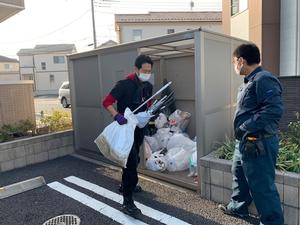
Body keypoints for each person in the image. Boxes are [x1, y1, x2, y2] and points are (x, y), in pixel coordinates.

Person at [218, 43, 284, 225]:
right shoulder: (249, 81)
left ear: (241, 61)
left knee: (263, 187)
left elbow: (274, 110)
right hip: (246, 142)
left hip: (259, 143)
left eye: (234, 61)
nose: (234, 66)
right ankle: (238, 207)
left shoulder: (264, 79)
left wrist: (245, 126)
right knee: (238, 173)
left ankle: (272, 222)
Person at [102, 54, 153, 218]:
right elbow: (106, 102)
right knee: (130, 163)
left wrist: (147, 115)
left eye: (149, 71)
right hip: (125, 128)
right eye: (144, 70)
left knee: (135, 159)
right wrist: (116, 115)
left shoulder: (148, 86)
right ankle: (127, 201)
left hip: (138, 129)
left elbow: (148, 104)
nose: (147, 73)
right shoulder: (124, 84)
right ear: (136, 69)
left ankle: (127, 185)